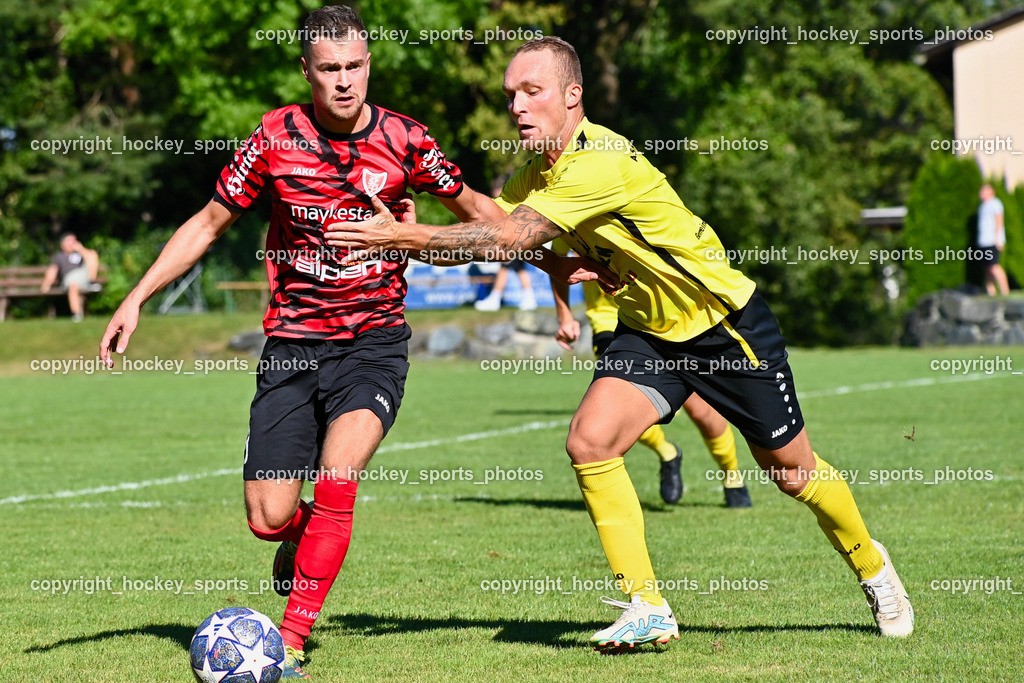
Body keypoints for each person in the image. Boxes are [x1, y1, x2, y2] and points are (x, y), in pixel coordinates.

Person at [328, 36, 913, 648]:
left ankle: (874, 568)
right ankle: (647, 604)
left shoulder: (596, 162)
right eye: (510, 96)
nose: (518, 108)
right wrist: (406, 226)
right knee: (589, 440)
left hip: (721, 325)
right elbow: (487, 232)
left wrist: (400, 235)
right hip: (648, 332)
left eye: (533, 92)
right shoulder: (537, 171)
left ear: (572, 96)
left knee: (791, 475)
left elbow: (505, 244)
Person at [98, 9, 595, 678]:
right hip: (294, 344)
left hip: (374, 343)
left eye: (354, 66)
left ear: (369, 65)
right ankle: (296, 536)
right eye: (328, 68)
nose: (343, 81)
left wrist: (554, 259)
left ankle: (292, 639)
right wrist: (136, 296)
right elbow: (209, 223)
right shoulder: (274, 138)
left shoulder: (406, 140)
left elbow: (481, 212)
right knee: (267, 515)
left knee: (339, 474)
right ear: (306, 70)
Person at [549, 258, 751, 507]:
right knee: (612, 414)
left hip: (667, 321)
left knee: (700, 411)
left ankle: (732, 477)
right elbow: (557, 262)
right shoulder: (569, 223)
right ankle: (668, 451)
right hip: (610, 326)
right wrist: (565, 315)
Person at [40, 232, 100, 322]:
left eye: (75, 241)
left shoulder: (81, 254)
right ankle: (76, 314)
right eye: (71, 242)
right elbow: (52, 271)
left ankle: (92, 282)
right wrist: (46, 285)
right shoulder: (59, 257)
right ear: (63, 244)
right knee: (73, 286)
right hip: (69, 280)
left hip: (83, 278)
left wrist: (81, 249)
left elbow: (92, 258)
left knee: (93, 254)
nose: (74, 244)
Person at [977, 184, 1009, 296]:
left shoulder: (995, 203)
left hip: (992, 241)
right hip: (983, 242)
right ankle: (991, 292)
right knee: (987, 268)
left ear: (990, 191)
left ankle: (1005, 291)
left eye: (983, 190)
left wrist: (998, 239)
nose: (981, 192)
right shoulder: (983, 206)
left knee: (994, 266)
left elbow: (999, 221)